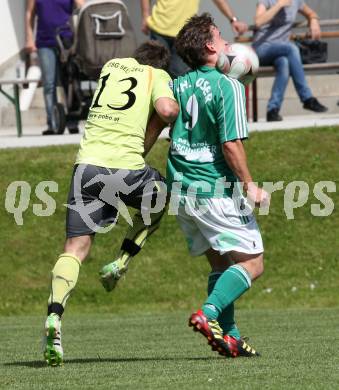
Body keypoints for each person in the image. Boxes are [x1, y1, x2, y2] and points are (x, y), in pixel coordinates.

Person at [42, 41, 179, 366]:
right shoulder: (156, 74)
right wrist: (175, 107)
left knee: (74, 247)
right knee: (162, 197)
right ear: (159, 65)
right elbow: (166, 110)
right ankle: (122, 261)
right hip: (126, 169)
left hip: (86, 167)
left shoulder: (111, 67)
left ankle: (54, 315)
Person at [166, 13, 270, 357]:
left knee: (221, 265)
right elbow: (230, 144)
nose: (227, 43)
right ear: (210, 46)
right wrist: (250, 185)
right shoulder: (228, 86)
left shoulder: (178, 84)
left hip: (181, 191)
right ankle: (207, 314)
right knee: (253, 263)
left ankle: (231, 337)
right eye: (221, 37)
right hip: (212, 188)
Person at [253, 0, 327, 121]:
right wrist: (279, 5)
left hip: (281, 51)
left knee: (284, 63)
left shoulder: (296, 1)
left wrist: (313, 20)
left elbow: (311, 13)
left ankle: (273, 110)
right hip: (262, 48)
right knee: (291, 48)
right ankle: (307, 98)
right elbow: (258, 21)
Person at [140, 0, 248, 77]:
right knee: (154, 74)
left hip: (184, 35)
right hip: (158, 28)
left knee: (180, 75)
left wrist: (233, 20)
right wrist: (145, 16)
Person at [25, 0, 84, 135]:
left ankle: (71, 121)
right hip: (44, 42)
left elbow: (82, 7)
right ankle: (53, 124)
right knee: (49, 83)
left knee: (69, 81)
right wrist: (29, 39)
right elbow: (29, 13)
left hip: (67, 39)